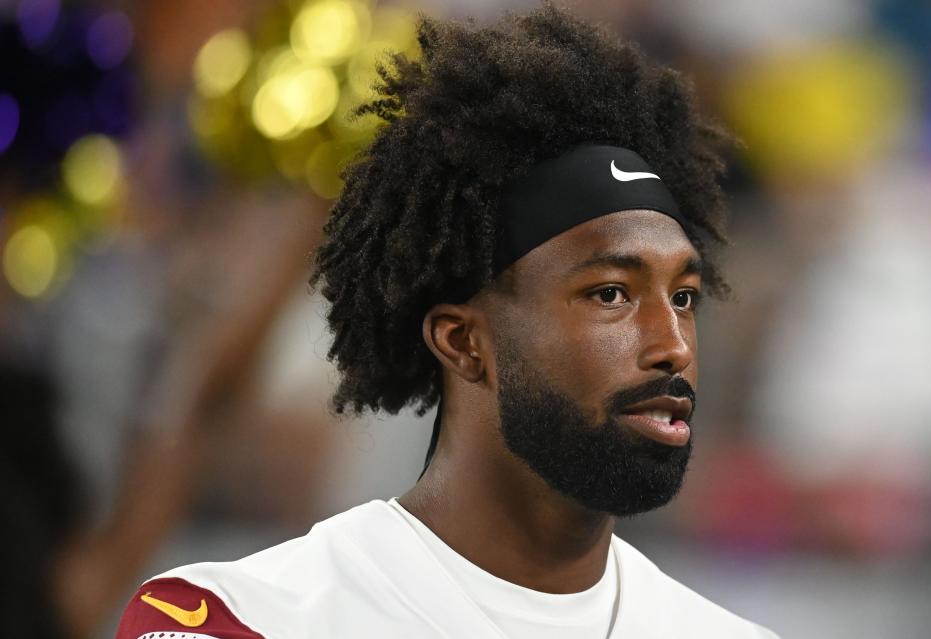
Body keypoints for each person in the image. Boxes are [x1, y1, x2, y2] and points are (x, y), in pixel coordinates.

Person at [116, 6, 779, 638]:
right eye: (610, 294)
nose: (671, 344)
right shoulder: (247, 617)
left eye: (685, 297)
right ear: (463, 341)